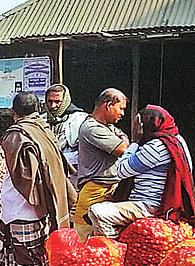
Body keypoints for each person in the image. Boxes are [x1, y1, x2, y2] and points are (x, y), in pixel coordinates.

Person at [0, 92, 75, 266]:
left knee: (30, 264)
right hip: (29, 211)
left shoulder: (18, 134)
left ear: (13, 112)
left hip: (23, 211)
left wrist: (34, 199)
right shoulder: (44, 130)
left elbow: (26, 177)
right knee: (28, 261)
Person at [89, 105, 195, 238]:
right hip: (160, 203)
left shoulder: (157, 146)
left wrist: (135, 141)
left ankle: (114, 243)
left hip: (148, 206)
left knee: (97, 211)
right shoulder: (177, 140)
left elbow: (121, 170)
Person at [74, 89, 130, 240]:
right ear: (109, 105)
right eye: (121, 108)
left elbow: (123, 138)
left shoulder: (108, 127)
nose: (122, 114)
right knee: (85, 237)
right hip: (95, 189)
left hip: (109, 189)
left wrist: (122, 138)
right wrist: (123, 140)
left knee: (107, 241)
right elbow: (122, 148)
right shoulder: (92, 128)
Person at [42, 84, 88, 188]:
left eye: (57, 102)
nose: (53, 106)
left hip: (72, 174)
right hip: (47, 172)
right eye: (50, 101)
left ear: (65, 101)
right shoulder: (41, 121)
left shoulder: (79, 119)